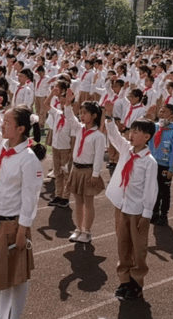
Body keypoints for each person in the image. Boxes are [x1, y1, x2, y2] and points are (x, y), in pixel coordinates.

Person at [0, 101, 46, 319]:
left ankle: (15, 316)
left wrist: (22, 231)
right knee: (4, 276)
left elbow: (30, 199)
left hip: (12, 225)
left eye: (7, 122)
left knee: (17, 276)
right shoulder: (0, 144)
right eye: (2, 122)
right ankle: (4, 316)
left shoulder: (28, 159)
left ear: (21, 129)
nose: (2, 125)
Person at [104, 119, 158, 300]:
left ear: (146, 137)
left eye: (136, 132)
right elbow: (113, 136)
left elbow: (151, 189)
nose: (131, 135)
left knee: (138, 248)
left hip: (138, 211)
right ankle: (124, 280)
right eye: (131, 131)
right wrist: (110, 118)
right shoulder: (127, 151)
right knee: (123, 245)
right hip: (122, 206)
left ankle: (136, 282)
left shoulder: (149, 162)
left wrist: (147, 214)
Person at [64, 101, 106, 244]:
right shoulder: (78, 129)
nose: (81, 116)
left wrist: (95, 174)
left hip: (88, 171)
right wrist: (67, 104)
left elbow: (99, 157)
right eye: (80, 112)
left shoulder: (98, 136)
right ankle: (78, 228)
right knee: (78, 202)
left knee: (88, 202)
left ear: (94, 115)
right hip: (76, 169)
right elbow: (69, 117)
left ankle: (87, 231)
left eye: (85, 113)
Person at [45, 86, 76, 208]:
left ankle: (65, 197)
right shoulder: (57, 113)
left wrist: (72, 153)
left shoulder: (71, 118)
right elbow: (46, 104)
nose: (62, 104)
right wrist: (52, 94)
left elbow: (73, 138)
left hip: (66, 149)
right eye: (61, 102)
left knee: (66, 174)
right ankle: (58, 195)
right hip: (56, 147)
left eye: (64, 102)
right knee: (57, 173)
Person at [148, 104, 173, 227]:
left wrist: (171, 168)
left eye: (164, 112)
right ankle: (154, 211)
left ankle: (163, 213)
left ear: (171, 117)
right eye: (160, 111)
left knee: (164, 190)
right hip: (153, 164)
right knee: (153, 189)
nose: (161, 114)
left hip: (164, 166)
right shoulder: (155, 127)